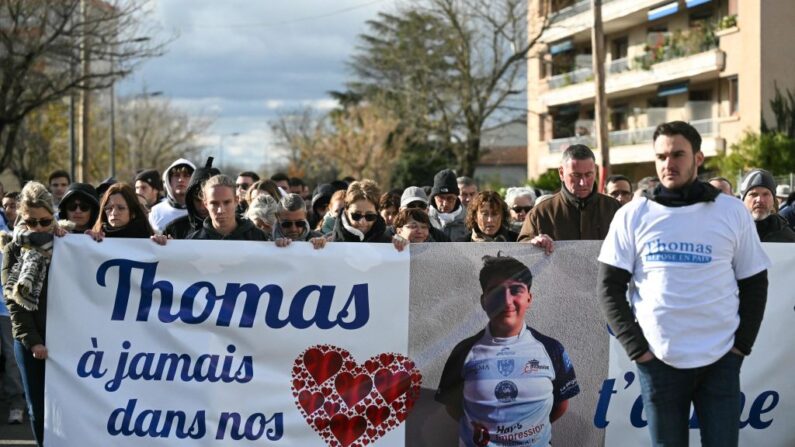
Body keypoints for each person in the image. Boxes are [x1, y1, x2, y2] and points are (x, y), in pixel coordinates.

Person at [597, 121, 771, 447]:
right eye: (661, 155)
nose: (668, 163)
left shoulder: (732, 211)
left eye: (678, 154)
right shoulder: (633, 214)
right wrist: (639, 351)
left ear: (698, 158)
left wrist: (739, 348)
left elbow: (755, 283)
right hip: (659, 364)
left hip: (720, 362)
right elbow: (608, 288)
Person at [436, 254, 580, 446]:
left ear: (529, 298)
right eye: (495, 291)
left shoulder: (551, 349)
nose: (506, 300)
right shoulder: (464, 351)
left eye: (516, 290)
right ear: (483, 300)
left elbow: (560, 404)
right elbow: (452, 406)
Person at [2, 181, 67, 446]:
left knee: (68, 407)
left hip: (66, 338)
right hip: (31, 343)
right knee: (39, 410)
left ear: (53, 217)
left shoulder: (67, 243)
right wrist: (33, 340)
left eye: (45, 222)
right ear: (20, 217)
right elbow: (14, 303)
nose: (39, 229)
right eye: (31, 222)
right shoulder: (12, 249)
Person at [518, 145, 620, 254]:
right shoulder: (540, 213)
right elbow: (521, 253)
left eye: (588, 174)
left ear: (595, 171)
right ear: (561, 173)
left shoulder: (616, 210)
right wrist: (533, 243)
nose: (583, 183)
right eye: (576, 175)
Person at [186, 175, 268, 241]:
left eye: (226, 202)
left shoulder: (258, 237)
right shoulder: (193, 241)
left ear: (236, 201)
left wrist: (279, 243)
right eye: (214, 203)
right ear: (206, 204)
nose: (220, 210)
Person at [164, 158, 220, 240]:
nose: (202, 207)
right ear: (190, 199)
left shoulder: (236, 228)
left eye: (208, 201)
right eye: (197, 200)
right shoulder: (175, 229)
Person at [87, 183, 161, 241]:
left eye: (121, 208)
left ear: (133, 212)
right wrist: (88, 241)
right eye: (109, 208)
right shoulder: (93, 239)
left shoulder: (151, 240)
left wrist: (164, 246)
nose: (114, 213)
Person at [739, 169, 795, 242]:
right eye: (754, 194)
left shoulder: (787, 237)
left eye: (766, 194)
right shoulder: (730, 231)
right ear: (743, 199)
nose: (760, 200)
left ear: (773, 200)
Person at [148, 158, 196, 233]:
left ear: (194, 179)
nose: (181, 180)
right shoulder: (155, 212)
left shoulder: (201, 211)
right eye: (176, 175)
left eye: (186, 175)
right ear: (169, 180)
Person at [428, 169, 468, 241]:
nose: (445, 203)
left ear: (457, 197)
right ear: (434, 197)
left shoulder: (469, 220)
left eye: (450, 198)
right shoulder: (425, 219)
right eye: (441, 198)